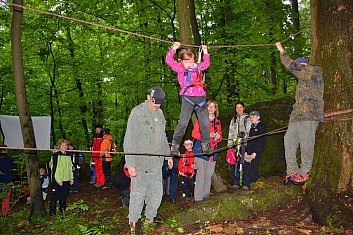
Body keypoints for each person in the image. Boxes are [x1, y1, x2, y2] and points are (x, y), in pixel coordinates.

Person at [123, 87, 173, 234]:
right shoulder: (137, 113)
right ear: (148, 97)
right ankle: (134, 226)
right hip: (140, 164)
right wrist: (130, 163)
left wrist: (168, 155)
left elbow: (163, 137)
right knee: (138, 196)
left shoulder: (160, 113)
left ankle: (149, 222)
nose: (156, 105)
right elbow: (129, 139)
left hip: (156, 164)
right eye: (154, 102)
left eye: (159, 103)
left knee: (157, 195)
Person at [276, 42, 325, 185]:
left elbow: (292, 67)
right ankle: (292, 170)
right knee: (288, 139)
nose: (298, 69)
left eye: (300, 66)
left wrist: (282, 51)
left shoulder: (314, 71)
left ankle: (304, 172)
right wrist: (292, 117)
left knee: (306, 142)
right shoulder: (302, 81)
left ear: (304, 65)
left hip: (310, 115)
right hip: (297, 115)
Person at [166, 42, 212, 156]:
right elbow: (169, 60)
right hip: (188, 98)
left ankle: (206, 144)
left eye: (191, 61)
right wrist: (174, 48)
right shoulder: (180, 68)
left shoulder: (198, 67)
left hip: (200, 98)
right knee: (183, 122)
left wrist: (206, 52)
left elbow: (206, 63)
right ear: (181, 61)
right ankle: (175, 145)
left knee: (205, 122)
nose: (189, 64)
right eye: (186, 61)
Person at [192, 100, 222, 202]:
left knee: (208, 175)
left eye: (213, 107)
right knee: (201, 175)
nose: (211, 109)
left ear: (215, 109)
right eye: (209, 107)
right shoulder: (201, 120)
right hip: (201, 151)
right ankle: (198, 199)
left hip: (213, 152)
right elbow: (194, 134)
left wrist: (218, 136)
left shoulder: (217, 121)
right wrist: (207, 135)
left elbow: (220, 136)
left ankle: (206, 197)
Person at [227, 101, 251, 188]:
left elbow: (249, 131)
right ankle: (236, 182)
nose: (239, 109)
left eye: (240, 107)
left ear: (243, 108)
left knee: (245, 163)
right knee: (235, 162)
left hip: (244, 144)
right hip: (235, 144)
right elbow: (231, 131)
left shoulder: (248, 118)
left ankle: (245, 183)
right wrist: (230, 143)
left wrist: (245, 139)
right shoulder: (234, 119)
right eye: (237, 108)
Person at [242, 111, 267, 190]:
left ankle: (254, 184)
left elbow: (261, 141)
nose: (252, 118)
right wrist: (246, 151)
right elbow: (249, 140)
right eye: (251, 117)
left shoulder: (261, 126)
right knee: (246, 167)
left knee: (254, 168)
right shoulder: (251, 127)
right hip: (249, 151)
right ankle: (246, 184)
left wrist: (255, 152)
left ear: (258, 117)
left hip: (256, 152)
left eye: (253, 117)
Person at [49, 139, 74, 216]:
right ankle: (52, 212)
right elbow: (55, 168)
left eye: (66, 145)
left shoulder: (68, 155)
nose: (65, 147)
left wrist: (71, 178)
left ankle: (62, 210)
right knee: (54, 196)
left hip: (66, 179)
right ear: (59, 146)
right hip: (57, 180)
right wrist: (58, 180)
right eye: (63, 145)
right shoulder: (55, 156)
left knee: (64, 196)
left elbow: (70, 167)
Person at [0, 145, 16, 216]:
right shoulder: (10, 159)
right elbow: (14, 170)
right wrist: (12, 180)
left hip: (5, 180)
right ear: (6, 150)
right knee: (6, 197)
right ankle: (4, 212)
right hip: (7, 181)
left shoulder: (10, 159)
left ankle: (4, 212)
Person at [162, 133, 178, 203]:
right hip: (173, 162)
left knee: (160, 178)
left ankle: (162, 194)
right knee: (172, 179)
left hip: (164, 162)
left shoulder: (161, 143)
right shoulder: (174, 144)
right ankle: (172, 197)